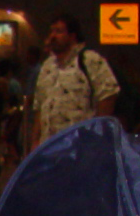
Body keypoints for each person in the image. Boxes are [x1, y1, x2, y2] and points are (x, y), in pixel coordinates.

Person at [31, 15, 119, 145]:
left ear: (72, 36)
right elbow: (39, 106)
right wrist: (35, 142)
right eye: (52, 31)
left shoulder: (90, 60)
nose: (53, 36)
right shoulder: (47, 66)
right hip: (49, 147)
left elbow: (108, 95)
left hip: (80, 146)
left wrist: (97, 135)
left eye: (59, 31)